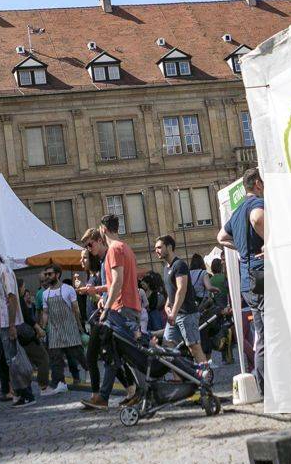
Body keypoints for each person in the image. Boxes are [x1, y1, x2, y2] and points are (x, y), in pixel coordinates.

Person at [80, 215, 142, 410]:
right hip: (128, 306)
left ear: (103, 230)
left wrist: (106, 307)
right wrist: (99, 293)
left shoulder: (114, 249)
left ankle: (107, 396)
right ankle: (113, 395)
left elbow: (117, 282)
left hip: (120, 308)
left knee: (115, 354)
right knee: (118, 355)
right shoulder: (126, 248)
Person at [217, 167, 265, 395]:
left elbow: (221, 237)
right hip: (261, 273)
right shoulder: (256, 204)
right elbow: (257, 219)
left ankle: (264, 385)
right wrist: (269, 242)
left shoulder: (236, 212)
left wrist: (241, 249)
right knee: (271, 331)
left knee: (261, 336)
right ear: (257, 184)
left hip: (247, 278)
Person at [0, 244, 35, 407]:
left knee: (13, 359)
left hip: (4, 321)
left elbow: (11, 298)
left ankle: (26, 392)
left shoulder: (4, 271)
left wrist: (12, 325)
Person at [154, 236, 209, 366]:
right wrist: (167, 305)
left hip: (187, 313)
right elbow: (171, 291)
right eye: (155, 248)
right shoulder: (166, 267)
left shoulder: (180, 265)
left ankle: (206, 376)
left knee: (194, 347)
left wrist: (173, 312)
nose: (156, 250)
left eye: (159, 247)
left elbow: (181, 289)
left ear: (169, 247)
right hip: (174, 315)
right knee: (168, 348)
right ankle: (178, 379)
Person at [38, 264, 86, 395]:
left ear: (57, 274)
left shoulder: (68, 289)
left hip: (69, 327)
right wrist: (43, 327)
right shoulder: (45, 294)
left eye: (50, 274)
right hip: (54, 329)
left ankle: (91, 373)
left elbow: (75, 309)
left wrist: (79, 325)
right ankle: (60, 383)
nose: (47, 276)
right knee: (55, 359)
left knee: (78, 354)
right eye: (46, 274)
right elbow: (46, 312)